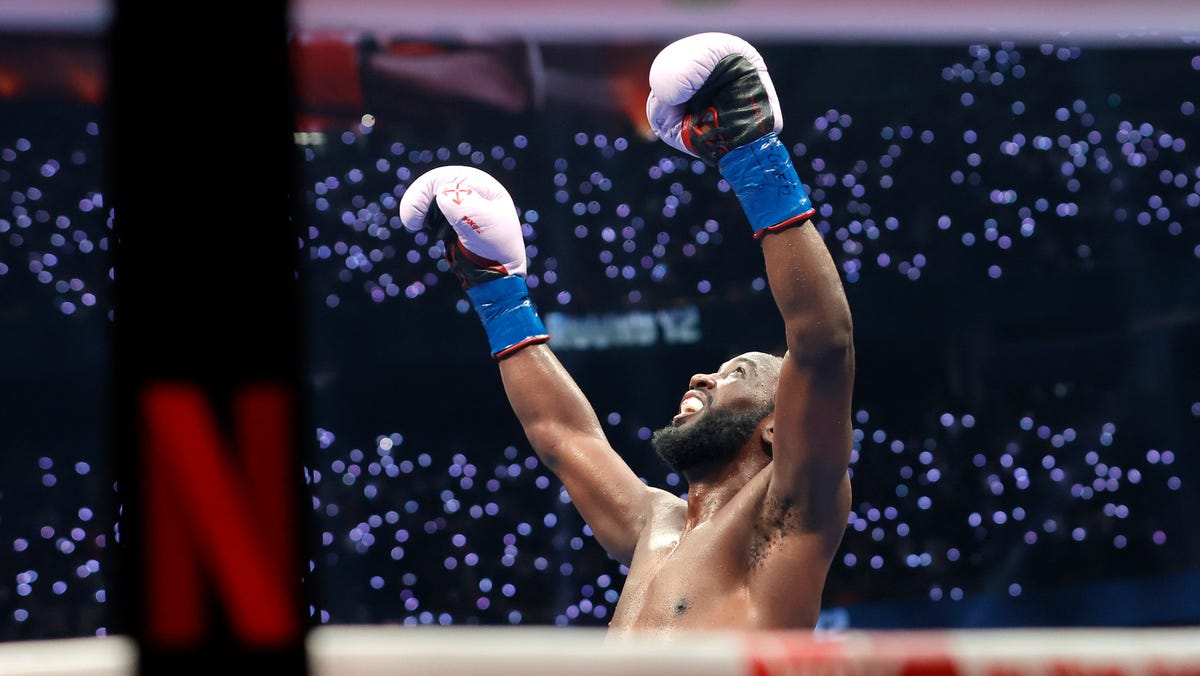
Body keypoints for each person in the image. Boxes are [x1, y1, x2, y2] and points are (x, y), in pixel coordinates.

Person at [399, 32, 854, 638]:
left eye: (737, 372)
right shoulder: (653, 527)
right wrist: (496, 293)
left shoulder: (788, 511)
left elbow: (822, 346)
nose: (702, 376)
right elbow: (563, 437)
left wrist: (752, 154)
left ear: (778, 425)